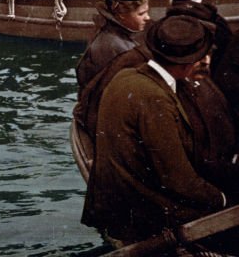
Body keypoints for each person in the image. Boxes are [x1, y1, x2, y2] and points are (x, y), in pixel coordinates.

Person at [82, 15, 226, 247]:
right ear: (187, 64)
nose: (207, 61)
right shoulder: (155, 99)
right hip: (144, 215)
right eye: (202, 57)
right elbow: (179, 181)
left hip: (118, 203)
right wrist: (222, 198)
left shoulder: (126, 76)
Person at [76, 0, 151, 91]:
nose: (147, 17)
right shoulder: (118, 48)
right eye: (141, 13)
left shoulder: (107, 33)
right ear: (121, 14)